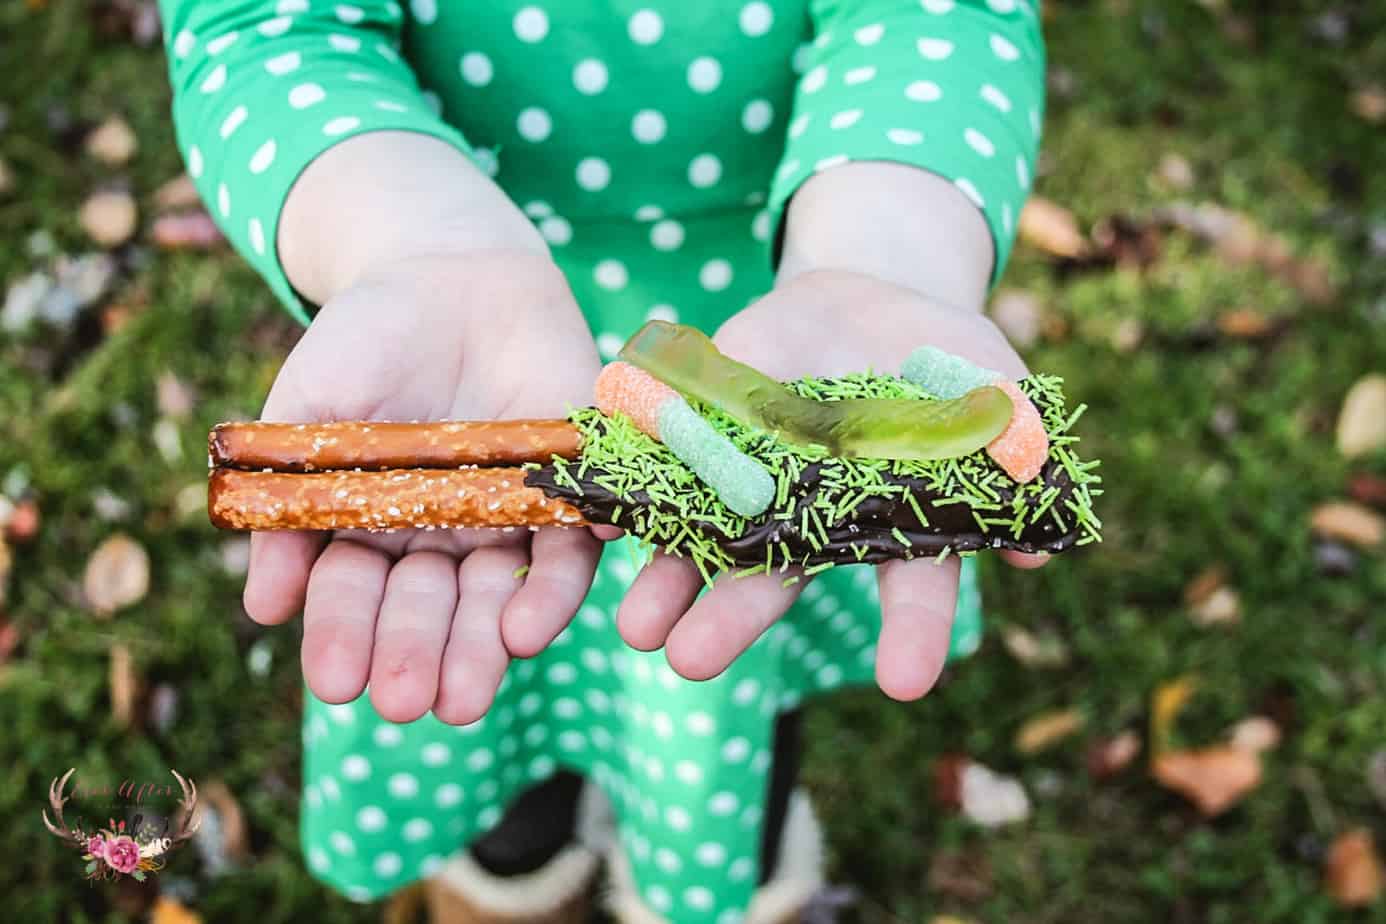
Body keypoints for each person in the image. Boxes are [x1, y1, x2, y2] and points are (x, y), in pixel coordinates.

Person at [159, 1, 1046, 920]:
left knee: (734, 683)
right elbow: (264, 27)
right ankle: (510, 877)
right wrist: (410, 232)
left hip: (781, 339)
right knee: (486, 714)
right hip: (458, 360)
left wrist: (887, 251)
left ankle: (707, 871)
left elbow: (936, 18)